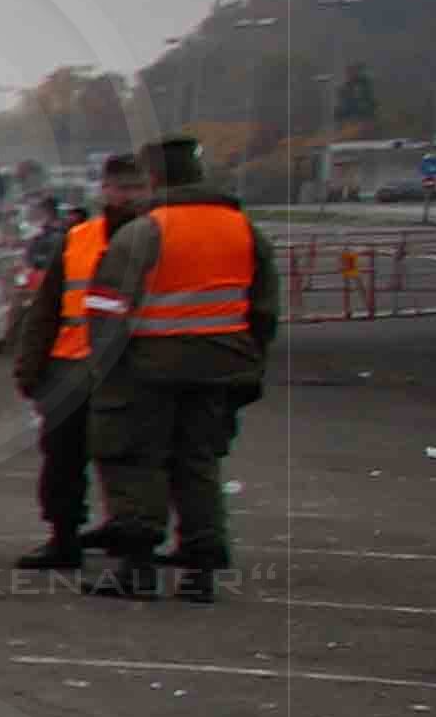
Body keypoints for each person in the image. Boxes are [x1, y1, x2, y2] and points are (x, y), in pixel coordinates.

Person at [59, 133, 276, 602]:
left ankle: (137, 566)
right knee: (198, 463)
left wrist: (104, 368)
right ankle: (201, 569)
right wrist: (249, 361)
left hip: (147, 368)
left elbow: (106, 308)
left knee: (135, 461)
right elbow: (264, 310)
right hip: (220, 366)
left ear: (154, 178)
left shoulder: (144, 231)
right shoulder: (243, 229)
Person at [1, 159, 138, 576]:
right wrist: (30, 366)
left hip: (133, 368)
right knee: (62, 457)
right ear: (106, 189)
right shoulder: (78, 238)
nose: (126, 195)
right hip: (70, 365)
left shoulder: (159, 237)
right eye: (119, 187)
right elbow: (46, 309)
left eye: (134, 187)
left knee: (131, 459)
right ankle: (64, 536)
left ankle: (131, 536)